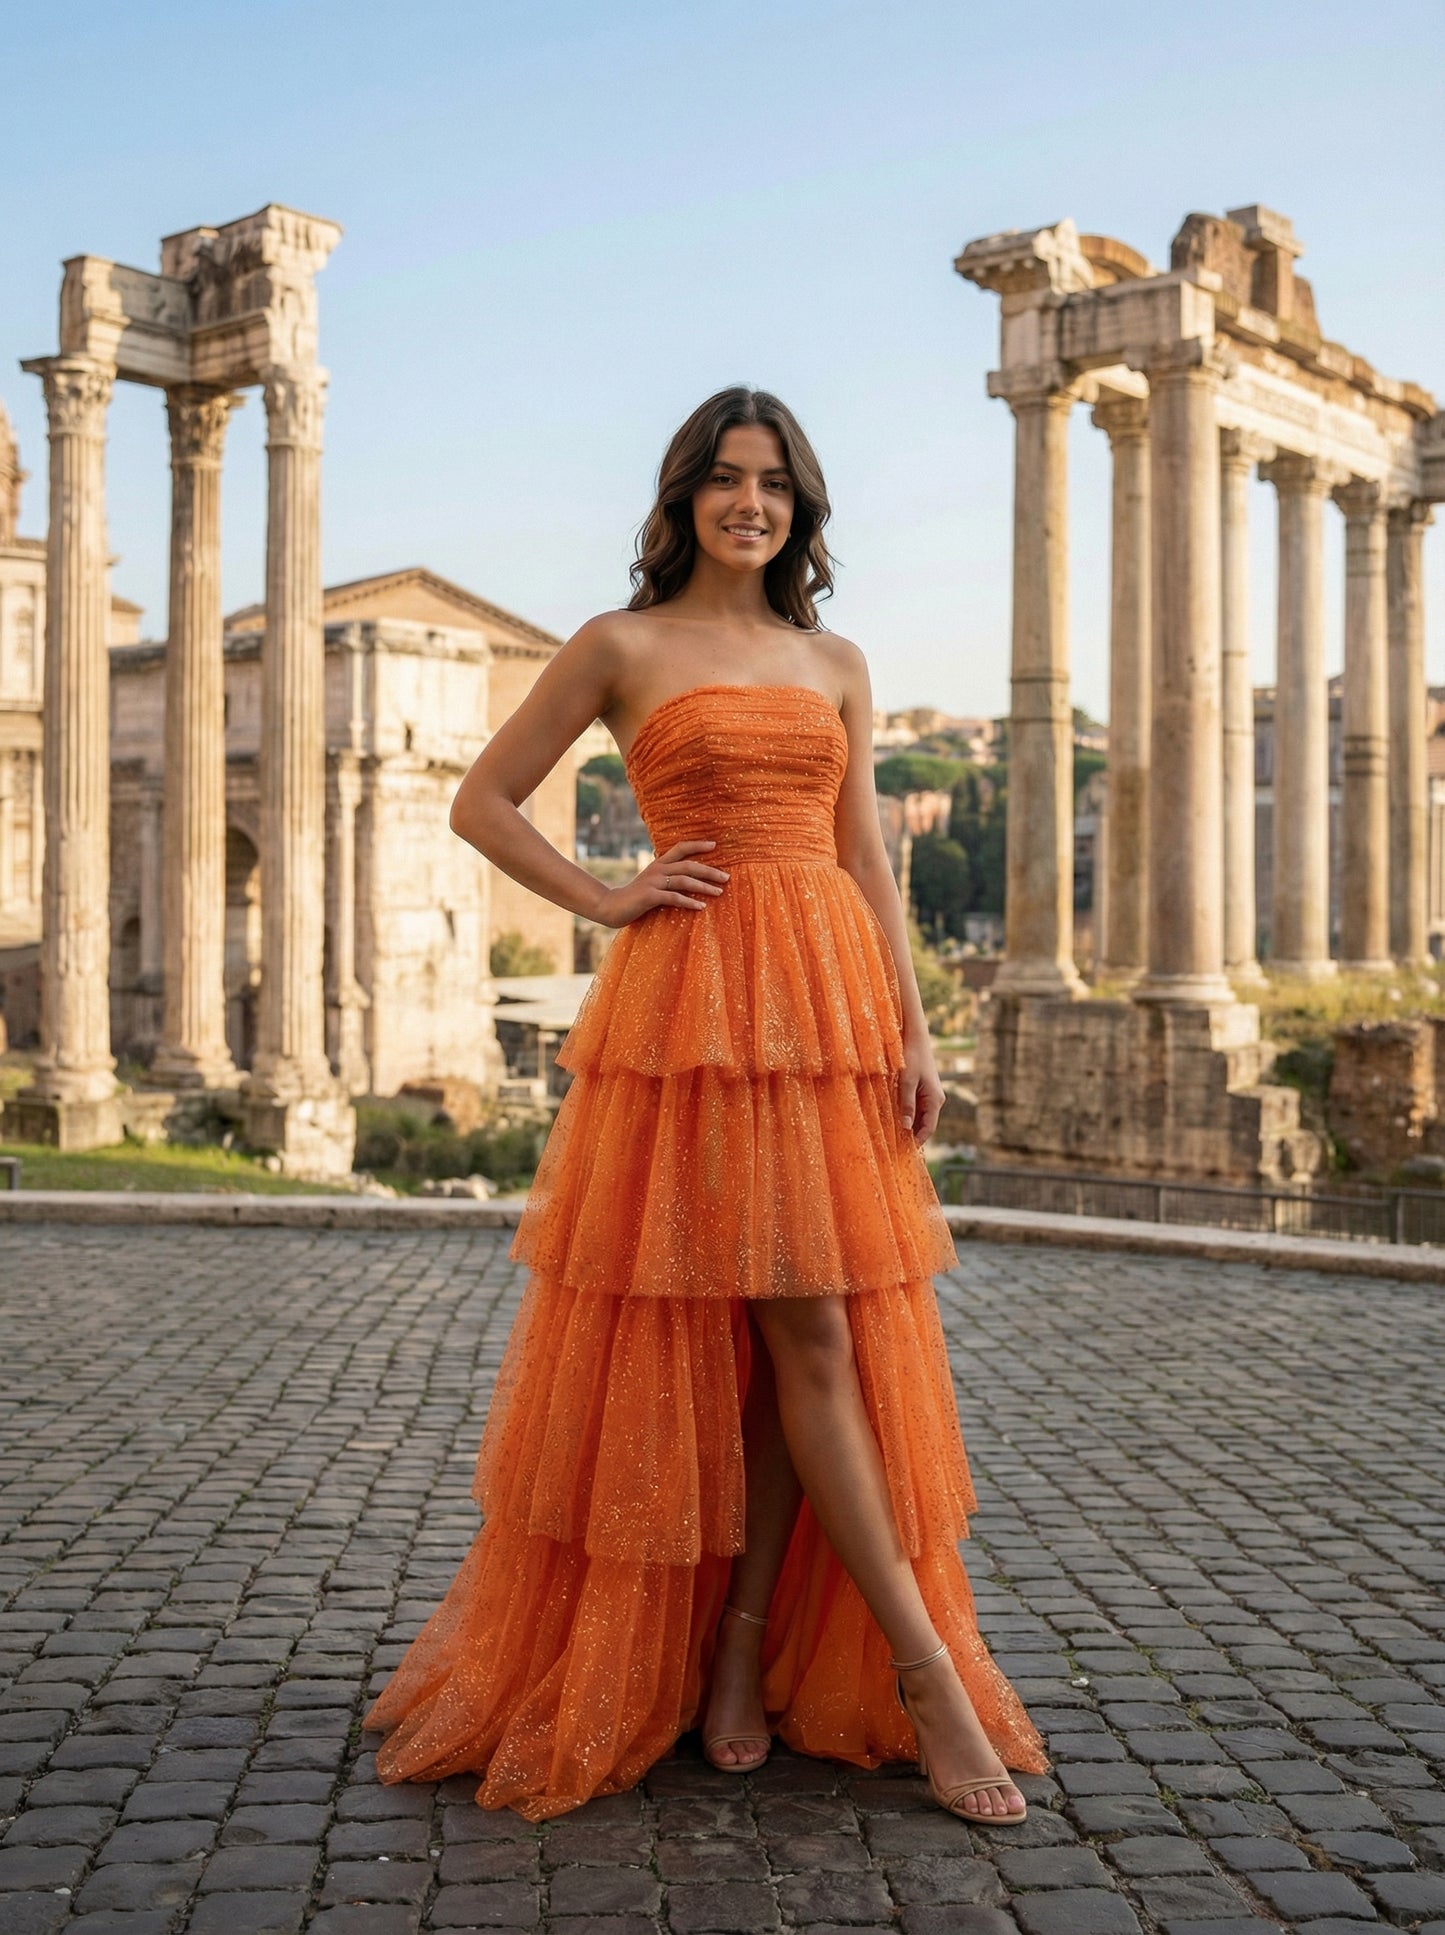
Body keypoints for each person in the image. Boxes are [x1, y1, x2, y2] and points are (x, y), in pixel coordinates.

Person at [363, 386, 1049, 1824]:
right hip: (695, 1017)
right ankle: (926, 1678)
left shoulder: (836, 660)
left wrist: (914, 1030)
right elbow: (482, 801)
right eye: (728, 479)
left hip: (825, 1018)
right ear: (683, 497)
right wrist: (608, 896)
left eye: (776, 484)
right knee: (793, 1335)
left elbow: (866, 862)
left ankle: (741, 1650)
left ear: (801, 507)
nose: (752, 504)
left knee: (804, 1341)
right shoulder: (618, 645)